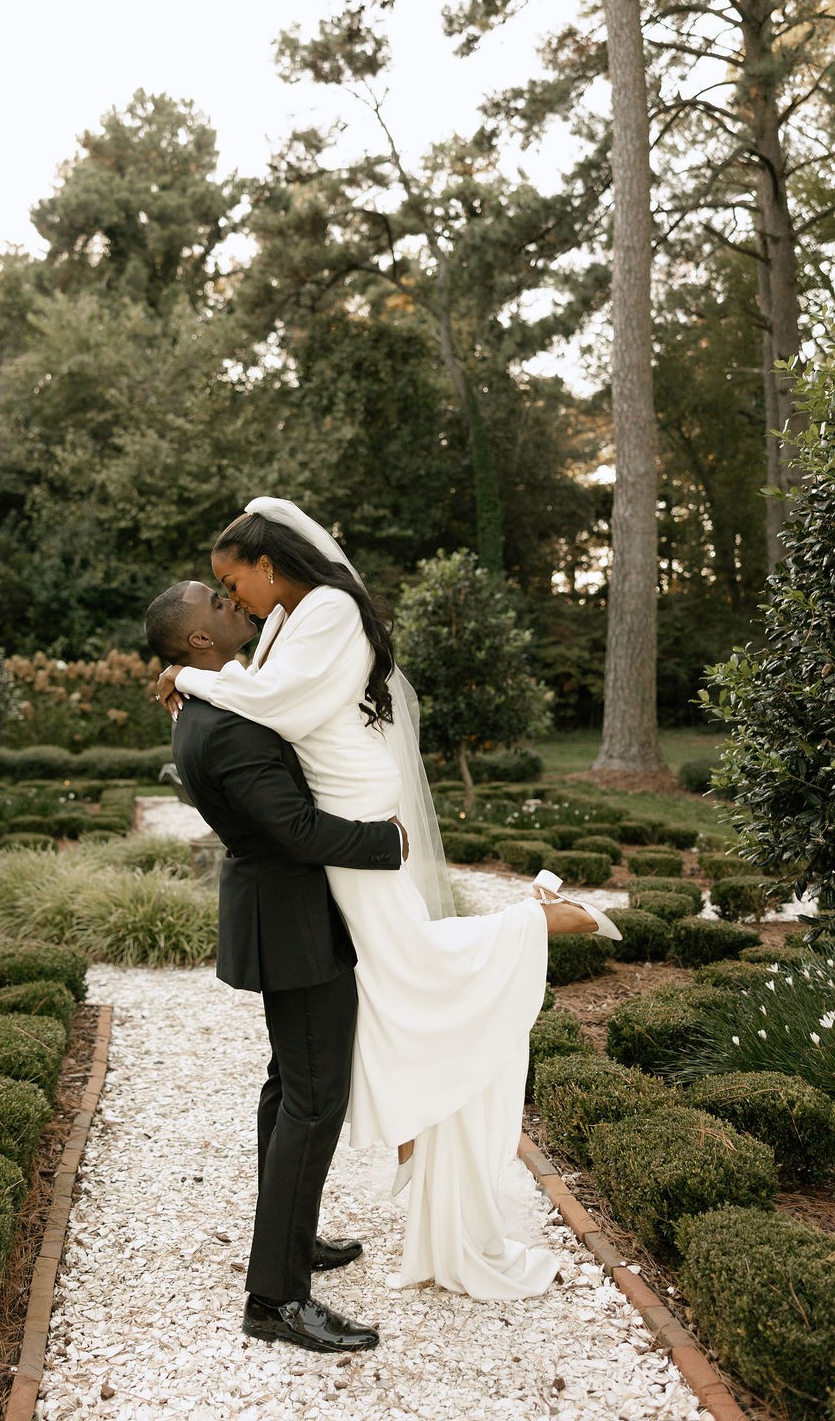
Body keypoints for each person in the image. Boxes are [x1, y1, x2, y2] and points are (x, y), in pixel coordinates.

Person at [157, 498, 621, 1301]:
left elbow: (278, 704)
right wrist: (203, 676)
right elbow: (268, 706)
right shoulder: (284, 622)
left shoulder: (321, 611)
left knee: (398, 971)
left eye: (233, 585)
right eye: (221, 598)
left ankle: (524, 931)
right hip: (337, 836)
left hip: (351, 818)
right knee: (352, 1026)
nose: (235, 601)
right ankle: (329, 1218)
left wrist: (189, 675)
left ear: (268, 565)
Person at [144, 578, 410, 1354]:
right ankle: (276, 1299)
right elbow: (295, 829)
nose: (235, 604)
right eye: (217, 602)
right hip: (292, 921)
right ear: (199, 638)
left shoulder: (211, 705)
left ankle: (289, 1234)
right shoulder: (225, 727)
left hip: (282, 913)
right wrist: (386, 843)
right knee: (315, 1100)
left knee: (289, 1084)